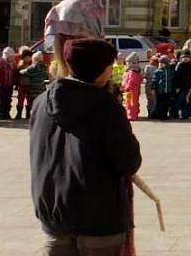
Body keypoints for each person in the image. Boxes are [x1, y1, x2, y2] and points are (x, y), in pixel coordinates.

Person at [30, 38, 142, 256]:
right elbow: (128, 161)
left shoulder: (42, 102)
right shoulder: (105, 105)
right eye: (110, 66)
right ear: (100, 69)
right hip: (98, 214)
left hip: (54, 210)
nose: (111, 71)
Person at [20, 51, 48, 118]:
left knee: (32, 102)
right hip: (42, 88)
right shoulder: (44, 66)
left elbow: (25, 72)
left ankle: (30, 115)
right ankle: (39, 115)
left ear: (34, 59)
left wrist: (20, 71)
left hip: (34, 88)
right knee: (40, 102)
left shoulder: (33, 67)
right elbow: (46, 75)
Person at [0, 47, 17, 120]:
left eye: (13, 57)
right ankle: (1, 113)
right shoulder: (0, 62)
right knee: (1, 99)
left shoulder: (13, 63)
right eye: (11, 57)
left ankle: (7, 113)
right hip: (1, 85)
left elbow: (14, 73)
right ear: (7, 56)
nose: (12, 58)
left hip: (9, 84)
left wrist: (14, 82)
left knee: (8, 99)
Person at [174, 49, 191, 119]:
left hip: (189, 87)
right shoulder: (179, 65)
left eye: (187, 57)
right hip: (181, 87)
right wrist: (177, 86)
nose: (185, 59)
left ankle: (186, 114)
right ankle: (178, 113)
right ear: (181, 58)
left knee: (188, 100)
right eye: (184, 57)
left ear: (190, 58)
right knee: (180, 100)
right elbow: (177, 77)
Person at [121, 53, 143, 121]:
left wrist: (127, 87)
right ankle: (133, 114)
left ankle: (131, 116)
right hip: (133, 90)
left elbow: (131, 81)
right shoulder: (135, 71)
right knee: (132, 103)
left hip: (130, 90)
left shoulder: (132, 71)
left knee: (130, 104)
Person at [153, 55, 175, 121]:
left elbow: (173, 79)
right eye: (160, 63)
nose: (161, 64)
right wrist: (153, 88)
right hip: (160, 91)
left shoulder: (170, 71)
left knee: (166, 103)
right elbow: (154, 80)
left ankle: (165, 114)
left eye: (162, 63)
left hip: (168, 90)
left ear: (166, 64)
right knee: (160, 103)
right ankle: (160, 115)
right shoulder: (157, 71)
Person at [16, 48, 34, 119]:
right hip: (22, 85)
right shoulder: (20, 66)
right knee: (20, 100)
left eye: (29, 57)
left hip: (30, 85)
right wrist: (17, 84)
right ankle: (19, 113)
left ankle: (28, 114)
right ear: (23, 58)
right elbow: (17, 75)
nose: (28, 59)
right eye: (26, 57)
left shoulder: (32, 66)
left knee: (29, 100)